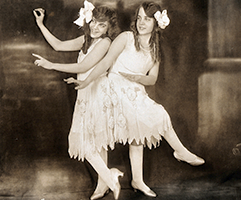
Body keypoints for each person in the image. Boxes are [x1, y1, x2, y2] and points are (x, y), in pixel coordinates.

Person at [65, 1, 205, 198]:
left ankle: (138, 180)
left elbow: (153, 78)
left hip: (134, 89)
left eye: (147, 19)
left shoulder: (155, 49)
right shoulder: (126, 37)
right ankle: (102, 183)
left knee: (141, 129)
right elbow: (105, 62)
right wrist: (87, 81)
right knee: (102, 136)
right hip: (112, 87)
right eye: (139, 18)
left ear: (156, 24)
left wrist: (139, 78)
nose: (141, 23)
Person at [32, 1, 123, 199]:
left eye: (102, 25)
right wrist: (40, 24)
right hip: (85, 92)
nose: (96, 28)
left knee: (92, 144)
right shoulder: (86, 38)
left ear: (109, 28)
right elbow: (58, 45)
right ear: (89, 21)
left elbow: (84, 67)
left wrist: (51, 65)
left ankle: (109, 177)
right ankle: (103, 184)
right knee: (97, 143)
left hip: (98, 93)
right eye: (95, 23)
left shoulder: (105, 42)